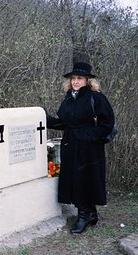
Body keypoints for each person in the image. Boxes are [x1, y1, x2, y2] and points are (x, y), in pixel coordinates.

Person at [46, 62, 115, 234]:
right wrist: (45, 118)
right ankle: (90, 214)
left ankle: (83, 215)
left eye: (80, 78)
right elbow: (65, 122)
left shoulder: (96, 97)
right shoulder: (69, 97)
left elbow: (107, 123)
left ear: (87, 80)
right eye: (73, 78)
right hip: (70, 144)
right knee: (75, 177)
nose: (76, 81)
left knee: (85, 178)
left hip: (89, 146)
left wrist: (89, 136)